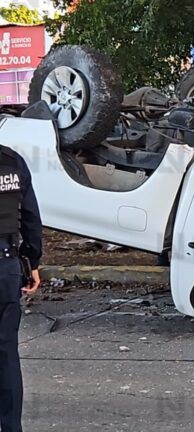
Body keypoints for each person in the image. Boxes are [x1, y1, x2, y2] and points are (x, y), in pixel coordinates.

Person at [0, 144, 41, 432]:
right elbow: (30, 218)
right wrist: (32, 262)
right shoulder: (12, 161)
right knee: (6, 352)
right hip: (6, 266)